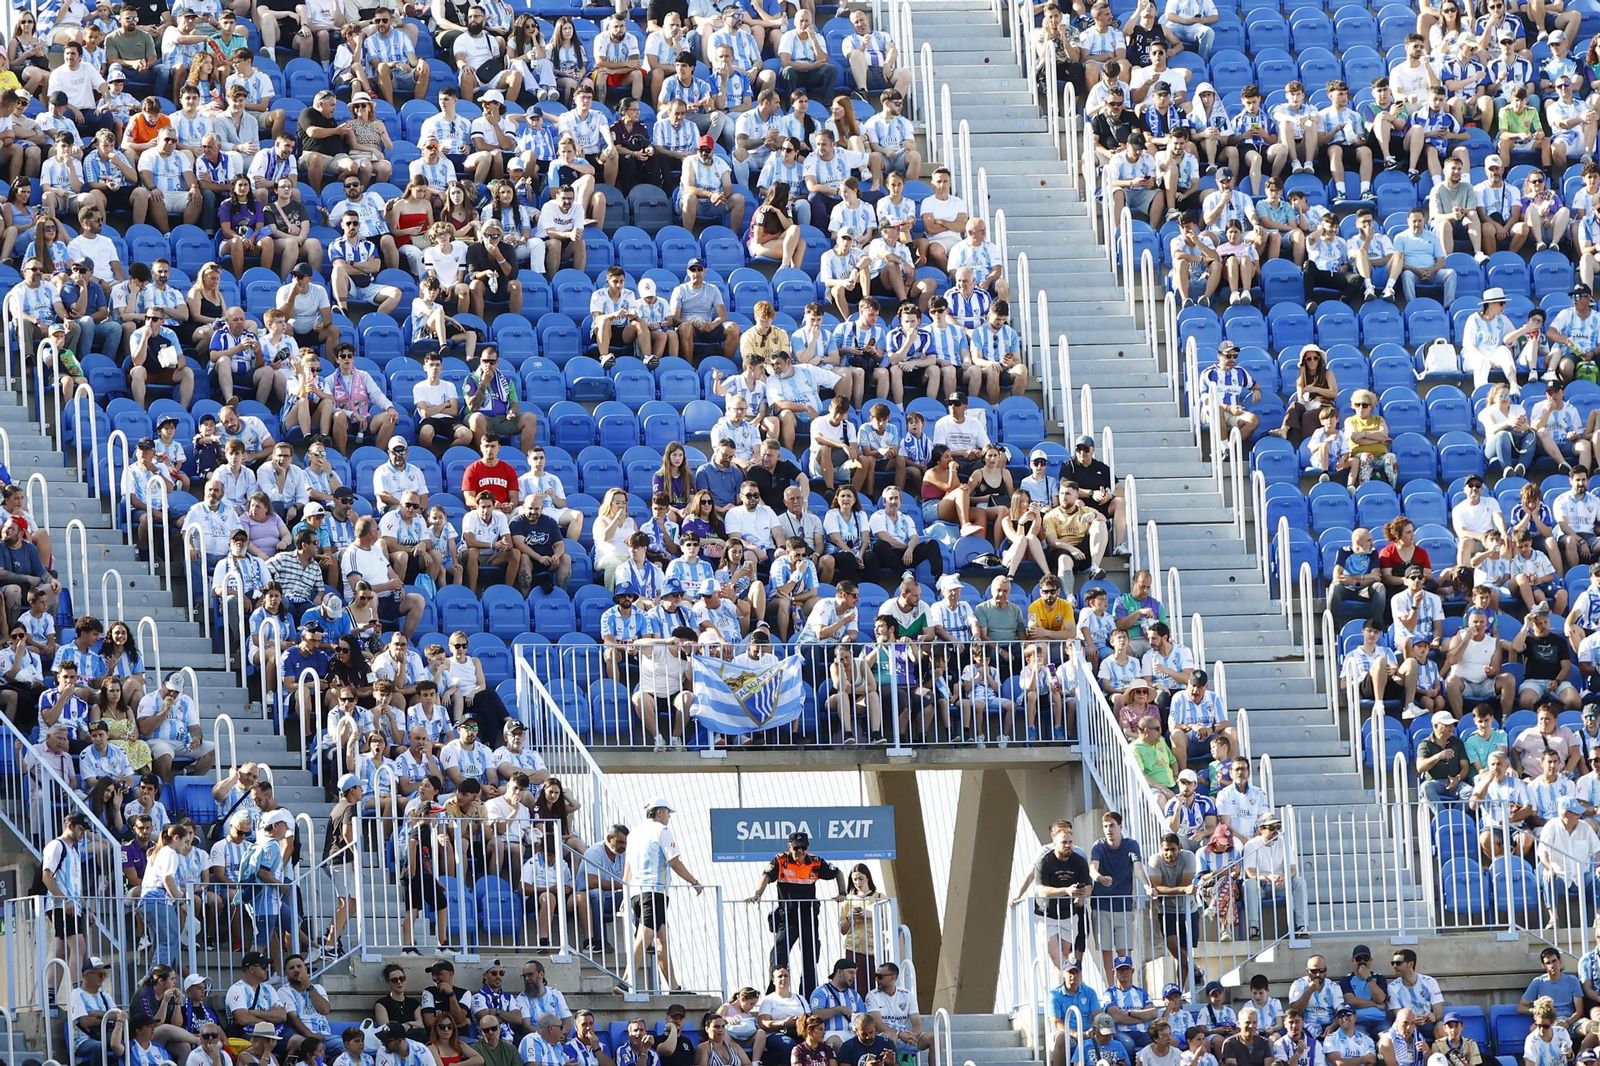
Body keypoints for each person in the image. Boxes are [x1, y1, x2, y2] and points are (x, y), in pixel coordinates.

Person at [745, 830, 847, 996]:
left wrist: (842, 893)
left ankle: (808, 995)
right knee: (779, 954)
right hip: (787, 917)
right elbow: (765, 876)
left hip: (808, 916)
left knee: (810, 957)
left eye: (803, 848)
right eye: (796, 848)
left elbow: (838, 873)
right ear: (789, 846)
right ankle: (775, 991)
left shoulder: (815, 861)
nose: (800, 852)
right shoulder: (780, 860)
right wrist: (757, 895)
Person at [626, 798, 704, 994]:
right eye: (668, 813)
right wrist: (694, 881)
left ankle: (674, 987)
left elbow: (627, 866)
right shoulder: (662, 830)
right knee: (647, 933)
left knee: (661, 939)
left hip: (636, 891)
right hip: (654, 890)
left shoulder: (634, 833)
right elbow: (674, 861)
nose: (669, 817)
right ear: (659, 812)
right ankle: (625, 981)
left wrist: (624, 893)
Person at [1240, 812, 1310, 939]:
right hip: (1261, 886)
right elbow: (1250, 873)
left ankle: (1302, 926)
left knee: (1299, 882)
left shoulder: (1283, 841)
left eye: (1278, 826)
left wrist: (1283, 877)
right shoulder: (1251, 845)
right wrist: (1268, 878)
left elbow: (1293, 869)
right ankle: (1253, 927)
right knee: (1248, 884)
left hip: (1280, 884)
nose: (1276, 830)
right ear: (1261, 829)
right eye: (1271, 827)